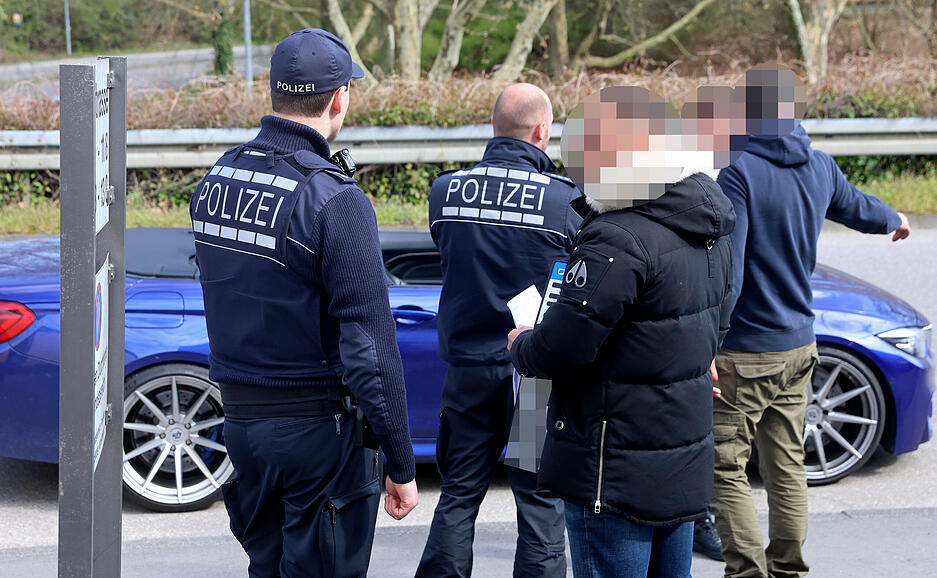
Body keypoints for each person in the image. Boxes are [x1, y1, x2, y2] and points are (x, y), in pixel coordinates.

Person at [190, 28, 417, 577]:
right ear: (339, 98)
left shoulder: (218, 178)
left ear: (274, 93)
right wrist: (401, 462)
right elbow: (370, 348)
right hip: (316, 430)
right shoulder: (336, 200)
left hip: (241, 426)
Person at [509, 86, 737, 578]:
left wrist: (522, 344)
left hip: (612, 469)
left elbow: (562, 349)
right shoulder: (709, 225)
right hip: (681, 458)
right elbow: (716, 320)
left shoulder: (615, 236)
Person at [711, 67, 912, 578]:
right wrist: (894, 218)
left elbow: (730, 271)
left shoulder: (739, 172)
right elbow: (857, 207)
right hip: (800, 344)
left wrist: (709, 342)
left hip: (746, 350)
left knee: (724, 465)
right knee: (786, 463)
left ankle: (747, 572)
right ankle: (788, 569)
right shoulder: (819, 166)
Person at [415, 83, 579, 578]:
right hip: (530, 377)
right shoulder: (564, 201)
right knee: (538, 501)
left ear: (494, 128)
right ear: (542, 131)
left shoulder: (446, 191)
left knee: (460, 493)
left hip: (468, 370)